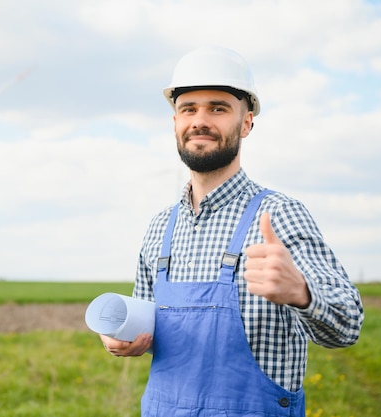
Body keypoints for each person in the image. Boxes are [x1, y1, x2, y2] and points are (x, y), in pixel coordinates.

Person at [99, 46, 364, 416]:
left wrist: (301, 293)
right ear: (175, 122)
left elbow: (348, 326)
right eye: (188, 109)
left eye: (218, 108)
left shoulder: (280, 215)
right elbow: (145, 325)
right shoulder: (160, 227)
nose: (200, 120)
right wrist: (123, 337)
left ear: (246, 123)